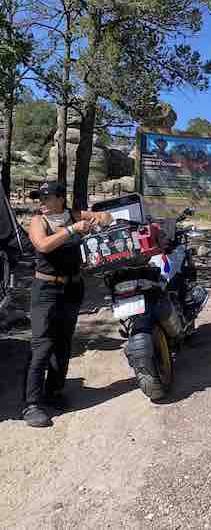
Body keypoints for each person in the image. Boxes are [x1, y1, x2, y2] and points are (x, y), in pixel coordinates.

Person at [22, 182, 112, 428]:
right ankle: (31, 404)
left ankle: (54, 391)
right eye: (39, 197)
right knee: (42, 345)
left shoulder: (74, 214)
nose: (41, 201)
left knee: (63, 343)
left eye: (46, 196)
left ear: (61, 198)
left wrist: (101, 219)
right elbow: (43, 245)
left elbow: (106, 217)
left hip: (72, 287)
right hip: (46, 290)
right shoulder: (39, 221)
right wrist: (72, 230)